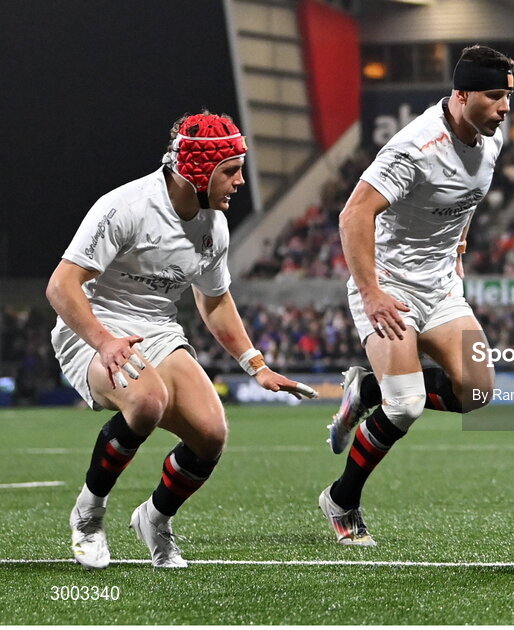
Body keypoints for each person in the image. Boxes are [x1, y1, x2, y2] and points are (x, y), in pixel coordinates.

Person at [47, 111, 318, 569]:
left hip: (156, 329)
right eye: (230, 170)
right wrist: (105, 342)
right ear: (198, 169)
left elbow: (214, 302)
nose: (239, 181)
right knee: (147, 401)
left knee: (211, 434)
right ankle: (88, 514)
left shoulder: (214, 225)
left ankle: (154, 518)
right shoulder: (126, 207)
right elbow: (61, 286)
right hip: (94, 327)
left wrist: (257, 365)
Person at [318, 45, 514, 546]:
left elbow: (466, 195)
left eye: (509, 96)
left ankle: (365, 391)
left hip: (442, 287)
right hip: (391, 286)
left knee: (477, 392)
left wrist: (459, 241)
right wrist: (372, 293)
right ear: (461, 94)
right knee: (404, 407)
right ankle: (342, 499)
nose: (505, 107)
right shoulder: (415, 148)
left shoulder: (491, 137)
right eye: (495, 96)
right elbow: (353, 215)